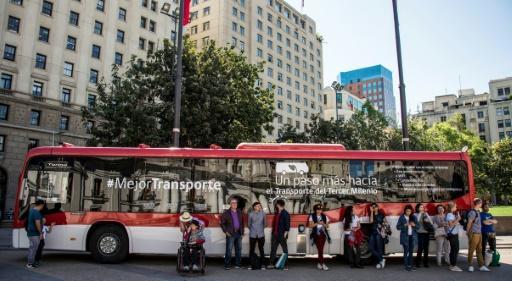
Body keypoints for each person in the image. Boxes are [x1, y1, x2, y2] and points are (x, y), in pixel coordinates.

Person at [466, 198, 490, 272]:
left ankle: (481, 265)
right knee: (471, 250)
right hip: (474, 233)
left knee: (479, 250)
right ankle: (470, 265)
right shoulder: (472, 212)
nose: (481, 204)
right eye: (481, 203)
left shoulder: (478, 211)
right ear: (478, 203)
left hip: (479, 233)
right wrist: (468, 232)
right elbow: (469, 223)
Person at [220, 198, 244, 270]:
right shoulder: (226, 213)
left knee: (239, 250)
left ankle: (238, 264)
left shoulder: (239, 212)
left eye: (235, 203)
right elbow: (222, 224)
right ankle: (227, 265)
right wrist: (226, 232)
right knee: (229, 250)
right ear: (230, 204)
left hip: (238, 233)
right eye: (233, 203)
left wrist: (242, 232)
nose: (234, 204)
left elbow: (242, 223)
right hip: (230, 233)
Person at [269, 199, 290, 270]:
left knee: (285, 249)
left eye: (277, 204)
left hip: (282, 235)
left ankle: (285, 263)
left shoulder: (285, 213)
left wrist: (286, 233)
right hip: (275, 234)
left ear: (278, 205)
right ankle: (271, 263)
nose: (276, 206)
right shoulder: (277, 213)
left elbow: (287, 225)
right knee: (273, 249)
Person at [308, 203, 330, 271]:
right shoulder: (312, 216)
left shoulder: (324, 216)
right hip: (316, 234)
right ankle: (322, 263)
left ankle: (319, 263)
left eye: (320, 209)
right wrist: (317, 223)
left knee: (321, 249)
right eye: (318, 209)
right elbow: (310, 226)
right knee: (320, 249)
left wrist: (323, 223)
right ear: (315, 209)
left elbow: (327, 226)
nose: (319, 211)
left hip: (323, 234)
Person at [396, 204, 418, 272]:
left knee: (411, 252)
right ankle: (406, 266)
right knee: (406, 252)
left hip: (412, 236)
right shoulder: (402, 217)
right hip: (405, 237)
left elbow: (418, 226)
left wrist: (414, 225)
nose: (408, 212)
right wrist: (405, 225)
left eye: (410, 211)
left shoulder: (413, 217)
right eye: (407, 211)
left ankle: (410, 265)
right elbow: (398, 227)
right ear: (405, 211)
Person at [26, 199, 45, 269]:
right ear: (41, 205)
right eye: (43, 205)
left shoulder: (32, 211)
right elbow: (37, 223)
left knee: (32, 248)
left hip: (30, 233)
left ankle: (30, 262)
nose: (43, 207)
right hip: (34, 233)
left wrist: (42, 220)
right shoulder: (36, 212)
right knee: (34, 249)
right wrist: (40, 233)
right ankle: (30, 263)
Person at [248, 202, 266, 270]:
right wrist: (253, 229)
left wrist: (260, 229)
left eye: (260, 206)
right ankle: (250, 264)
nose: (259, 207)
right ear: (254, 207)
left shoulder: (263, 214)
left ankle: (263, 264)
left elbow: (265, 224)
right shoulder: (251, 214)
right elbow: (249, 224)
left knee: (261, 249)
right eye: (258, 206)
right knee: (251, 250)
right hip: (252, 234)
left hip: (261, 234)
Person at [369, 203, 388, 269]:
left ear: (378, 207)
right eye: (373, 207)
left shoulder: (381, 215)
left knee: (379, 248)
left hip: (379, 233)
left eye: (375, 207)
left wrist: (382, 225)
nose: (374, 208)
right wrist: (371, 212)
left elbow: (386, 223)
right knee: (371, 248)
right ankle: (382, 259)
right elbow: (371, 221)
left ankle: (380, 262)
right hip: (373, 233)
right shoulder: (372, 214)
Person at [445, 201, 463, 272]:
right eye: (455, 206)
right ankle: (453, 265)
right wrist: (458, 219)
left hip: (454, 234)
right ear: (452, 207)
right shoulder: (449, 214)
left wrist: (456, 218)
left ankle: (452, 265)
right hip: (453, 235)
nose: (456, 207)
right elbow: (451, 225)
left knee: (454, 250)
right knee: (454, 250)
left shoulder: (451, 214)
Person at [414, 203, 433, 268]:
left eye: (422, 207)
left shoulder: (425, 214)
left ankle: (425, 263)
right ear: (417, 208)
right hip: (420, 233)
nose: (422, 208)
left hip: (426, 233)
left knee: (426, 248)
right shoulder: (416, 214)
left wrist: (426, 214)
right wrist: (420, 213)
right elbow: (417, 221)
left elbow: (431, 222)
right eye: (420, 207)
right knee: (420, 248)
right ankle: (418, 263)